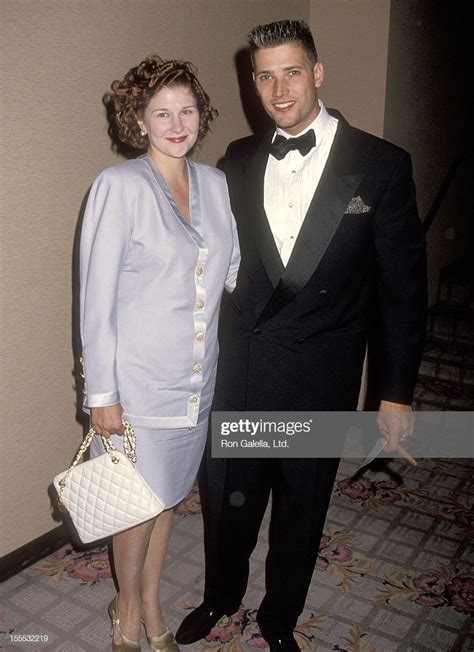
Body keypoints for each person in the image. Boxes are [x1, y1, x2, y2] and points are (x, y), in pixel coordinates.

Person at [176, 20, 427, 652]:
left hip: (318, 374)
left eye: (291, 72)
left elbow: (402, 291)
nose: (278, 89)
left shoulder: (381, 165)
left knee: (301, 509)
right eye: (264, 75)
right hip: (242, 370)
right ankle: (221, 595)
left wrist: (394, 391)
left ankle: (279, 617)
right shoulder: (235, 158)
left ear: (318, 73)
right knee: (230, 500)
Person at [80, 55, 239, 652]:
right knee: (133, 506)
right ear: (139, 121)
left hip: (195, 383)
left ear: (202, 113)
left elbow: (230, 272)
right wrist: (101, 395)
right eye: (162, 113)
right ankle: (126, 612)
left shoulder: (218, 185)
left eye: (188, 109)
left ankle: (149, 603)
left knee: (168, 496)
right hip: (137, 385)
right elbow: (95, 300)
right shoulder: (117, 187)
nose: (178, 123)